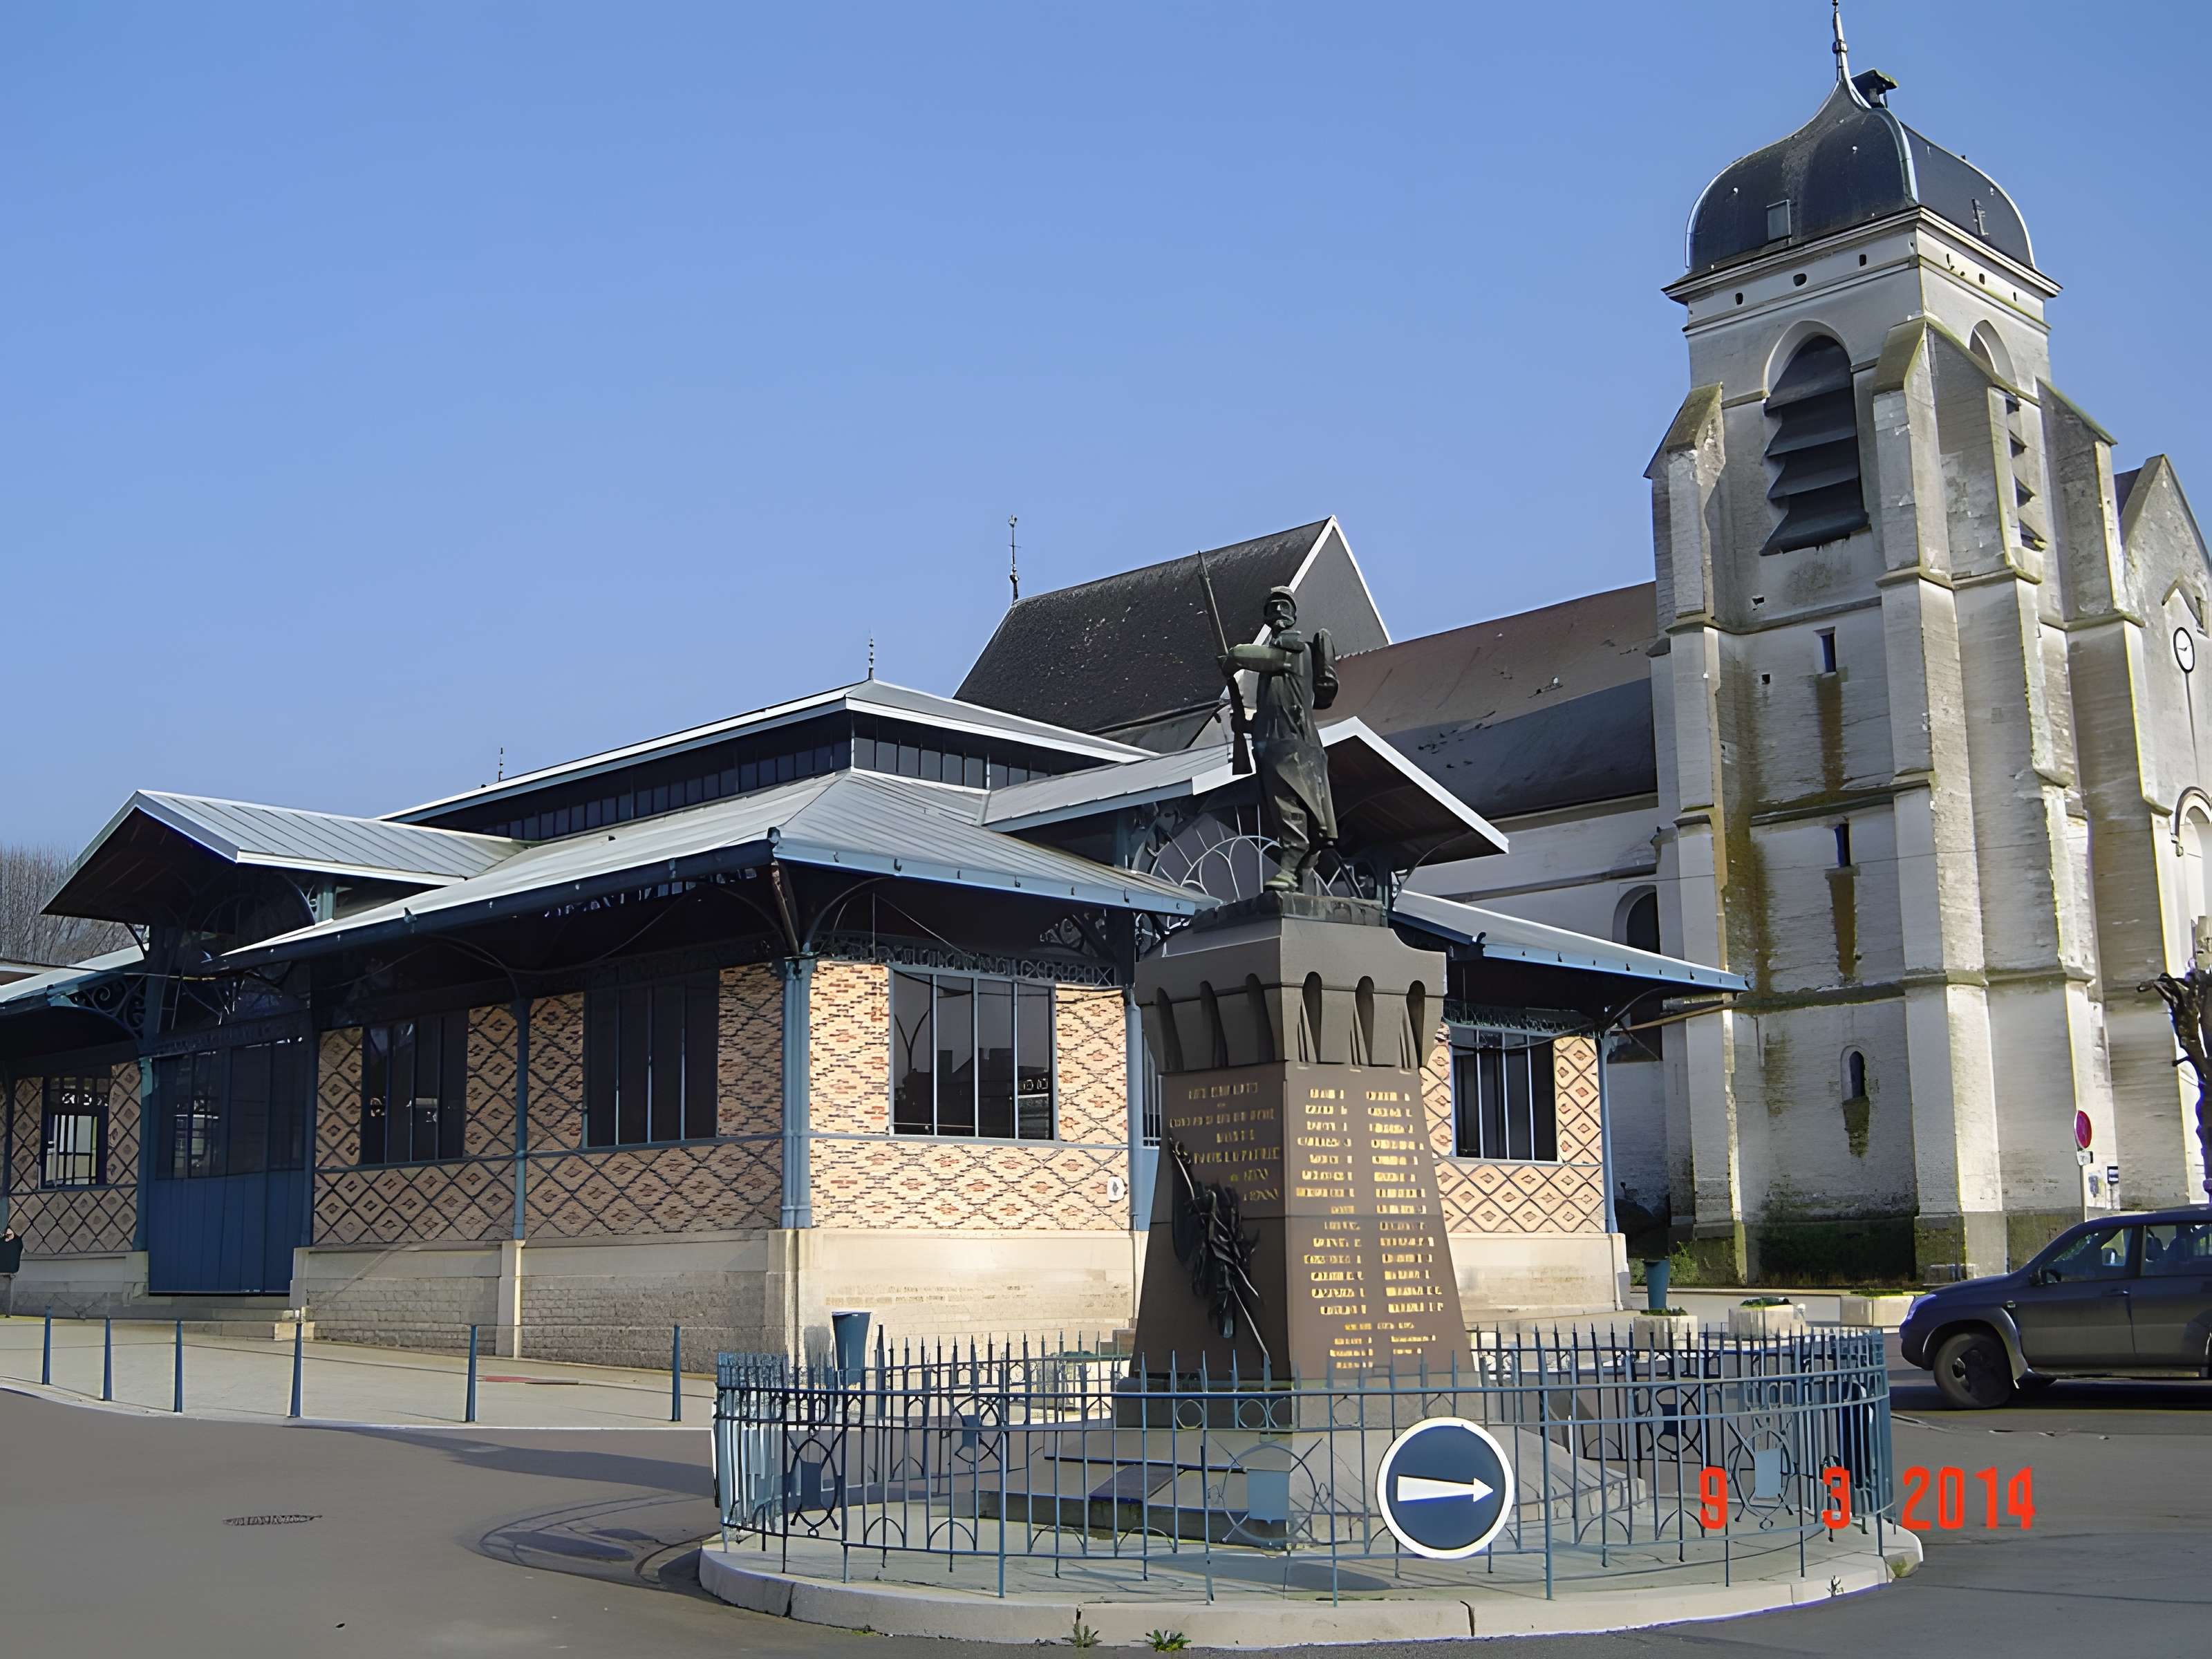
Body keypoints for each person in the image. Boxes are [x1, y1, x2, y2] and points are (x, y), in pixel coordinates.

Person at [1220, 587, 1338, 890]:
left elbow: (1258, 657)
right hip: (1277, 744)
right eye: (1273, 607)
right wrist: (1246, 726)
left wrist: (1233, 657)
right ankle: (1301, 872)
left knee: (1290, 806)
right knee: (1286, 807)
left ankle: (1291, 863)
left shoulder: (1294, 649)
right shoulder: (1273, 676)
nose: (1278, 613)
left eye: (1283, 606)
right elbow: (1272, 711)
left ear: (1294, 614)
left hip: (1292, 745)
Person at [0, 1225, 22, 1318]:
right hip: (10, 1270)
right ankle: (8, 1313)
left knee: (8, 1294)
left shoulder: (15, 1242)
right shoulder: (17, 1241)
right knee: (9, 1294)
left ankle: (8, 1312)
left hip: (9, 1270)